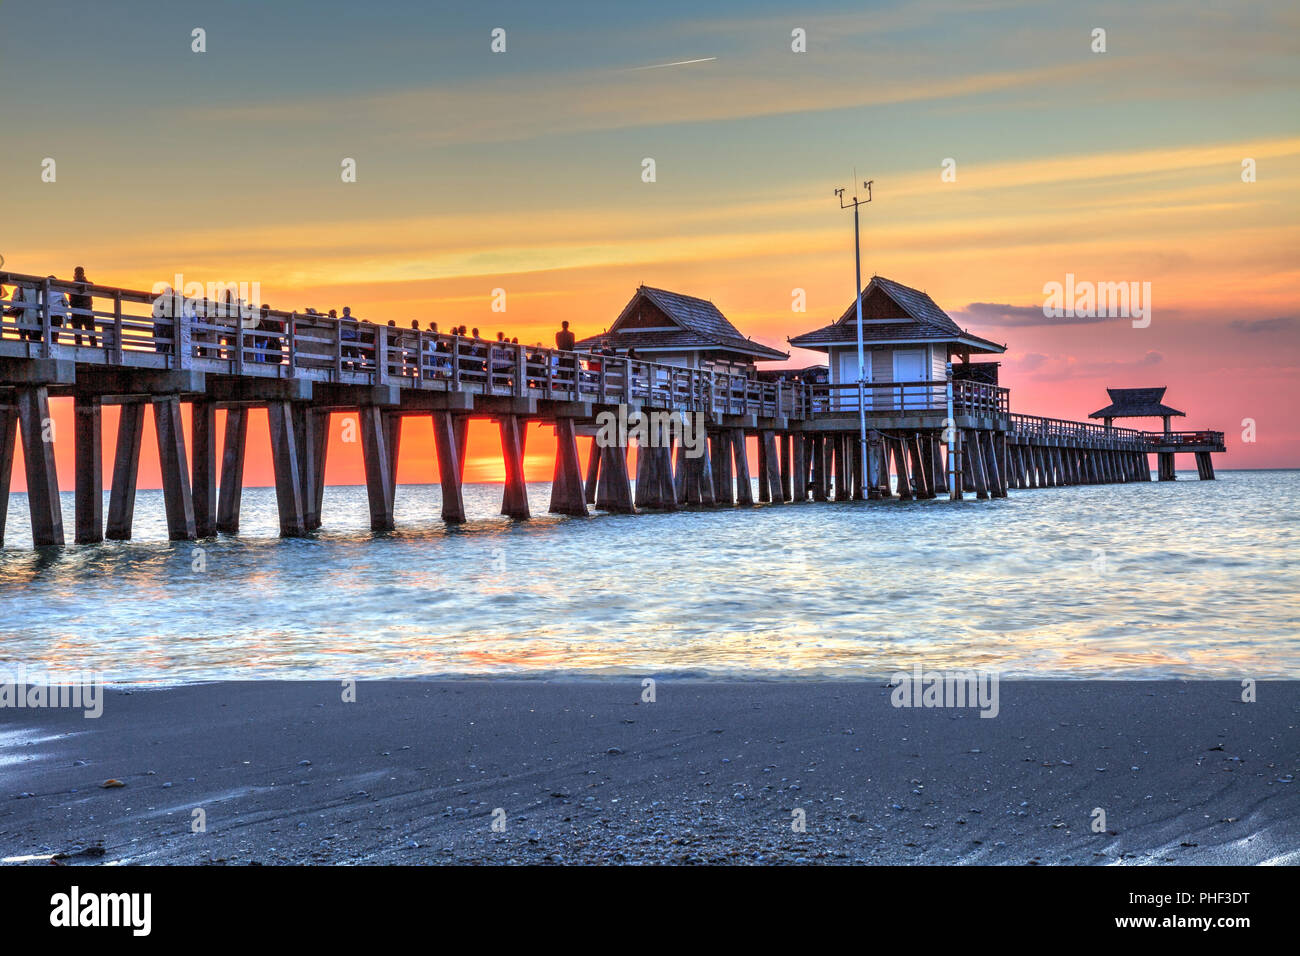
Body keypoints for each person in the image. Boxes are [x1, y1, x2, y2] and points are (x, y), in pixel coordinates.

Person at [69, 266, 96, 346]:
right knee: (91, 334)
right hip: (87, 312)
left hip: (76, 313)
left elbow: (71, 301)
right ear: (83, 273)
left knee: (78, 336)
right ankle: (94, 347)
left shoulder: (72, 285)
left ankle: (79, 348)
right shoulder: (89, 284)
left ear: (75, 274)